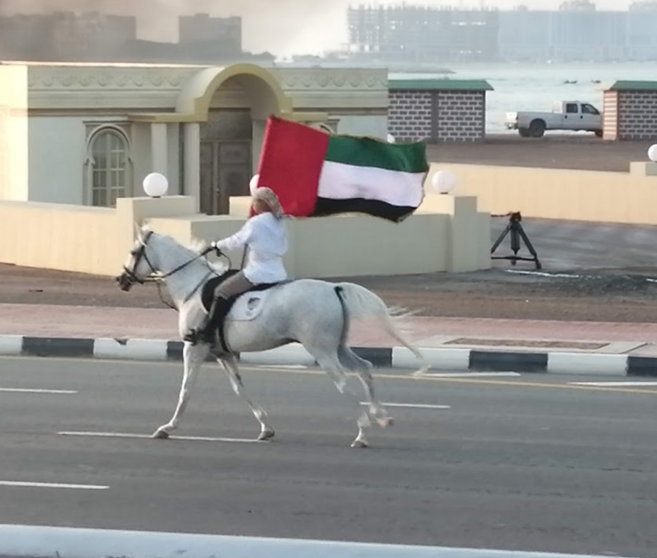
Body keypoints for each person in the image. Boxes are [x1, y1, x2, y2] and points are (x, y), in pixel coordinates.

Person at [184, 187, 289, 348]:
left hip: (258, 273)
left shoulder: (255, 223)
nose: (253, 205)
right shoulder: (280, 221)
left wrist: (216, 245)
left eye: (254, 201)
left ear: (259, 204)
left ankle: (209, 333)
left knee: (222, 291)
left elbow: (236, 241)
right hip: (279, 272)